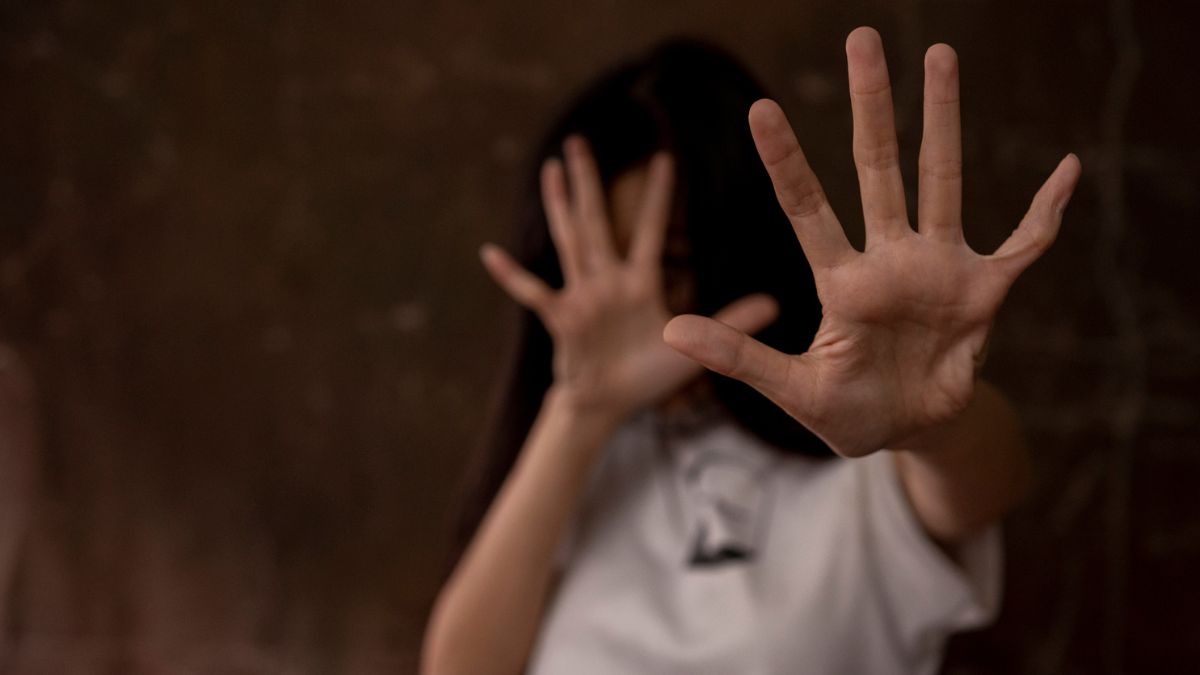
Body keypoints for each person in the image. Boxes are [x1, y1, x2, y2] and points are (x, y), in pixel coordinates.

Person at [422, 27, 1080, 675]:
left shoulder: (859, 432)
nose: (628, 304)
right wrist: (580, 410)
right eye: (598, 264)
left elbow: (984, 483)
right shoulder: (577, 473)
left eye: (670, 262)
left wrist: (933, 423)